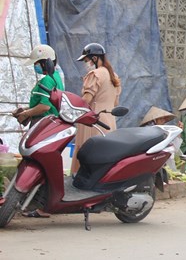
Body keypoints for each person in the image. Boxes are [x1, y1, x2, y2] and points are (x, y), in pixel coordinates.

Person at [11, 44, 65, 219]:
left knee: (37, 164)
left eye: (38, 63)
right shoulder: (56, 76)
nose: (36, 66)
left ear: (45, 63)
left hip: (42, 126)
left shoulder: (46, 81)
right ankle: (39, 203)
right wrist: (26, 109)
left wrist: (26, 113)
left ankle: (39, 204)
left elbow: (43, 106)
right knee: (46, 166)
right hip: (52, 126)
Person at [71, 43, 121, 175]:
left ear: (94, 58)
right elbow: (115, 102)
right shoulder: (114, 76)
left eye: (86, 60)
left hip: (92, 121)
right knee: (105, 158)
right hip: (109, 121)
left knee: (87, 156)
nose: (85, 64)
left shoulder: (95, 74)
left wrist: (72, 109)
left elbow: (86, 100)